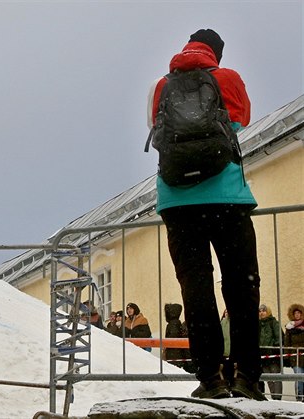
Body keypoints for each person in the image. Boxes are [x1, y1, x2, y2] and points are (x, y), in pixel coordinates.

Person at [147, 29, 264, 400]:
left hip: (177, 202)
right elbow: (241, 120)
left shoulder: (159, 86)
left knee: (195, 287)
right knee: (241, 285)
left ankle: (210, 379)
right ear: (217, 54)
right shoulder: (227, 79)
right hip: (226, 196)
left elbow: (155, 130)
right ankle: (247, 376)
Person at [258, 304, 283, 400]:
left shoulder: (274, 323)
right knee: (267, 377)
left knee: (276, 377)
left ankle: (277, 398)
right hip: (262, 355)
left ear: (268, 312)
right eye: (260, 311)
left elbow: (279, 337)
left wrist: (274, 348)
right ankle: (273, 396)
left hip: (273, 354)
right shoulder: (259, 324)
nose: (261, 313)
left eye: (263, 311)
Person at [163, 303, 194, 373]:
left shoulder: (172, 325)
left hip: (174, 356)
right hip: (177, 355)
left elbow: (172, 339)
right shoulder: (177, 323)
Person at [285, 303, 304, 401]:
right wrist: (286, 357)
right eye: (295, 313)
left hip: (303, 355)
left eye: (299, 313)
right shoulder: (289, 328)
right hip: (294, 356)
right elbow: (287, 343)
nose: (297, 315)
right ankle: (299, 397)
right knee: (298, 377)